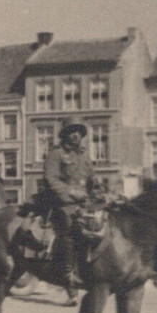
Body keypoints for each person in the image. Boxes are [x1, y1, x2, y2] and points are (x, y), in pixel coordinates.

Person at [38, 120, 94, 289]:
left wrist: (101, 194)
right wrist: (71, 192)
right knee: (71, 227)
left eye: (78, 131)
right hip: (61, 202)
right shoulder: (56, 154)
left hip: (84, 203)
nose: (75, 135)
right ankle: (68, 274)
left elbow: (91, 182)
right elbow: (51, 178)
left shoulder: (84, 156)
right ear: (65, 135)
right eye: (71, 131)